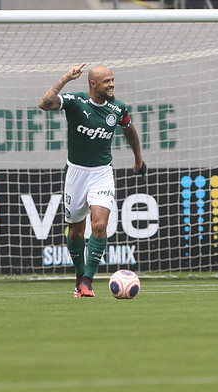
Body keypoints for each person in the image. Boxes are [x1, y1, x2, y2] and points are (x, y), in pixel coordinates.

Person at [38, 63, 146, 297]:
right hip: (76, 173)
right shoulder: (76, 101)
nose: (112, 84)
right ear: (93, 83)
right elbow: (45, 103)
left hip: (102, 173)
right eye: (107, 81)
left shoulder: (117, 108)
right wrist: (66, 77)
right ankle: (80, 276)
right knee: (76, 232)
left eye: (112, 80)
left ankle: (88, 281)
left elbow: (129, 130)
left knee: (98, 226)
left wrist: (138, 159)